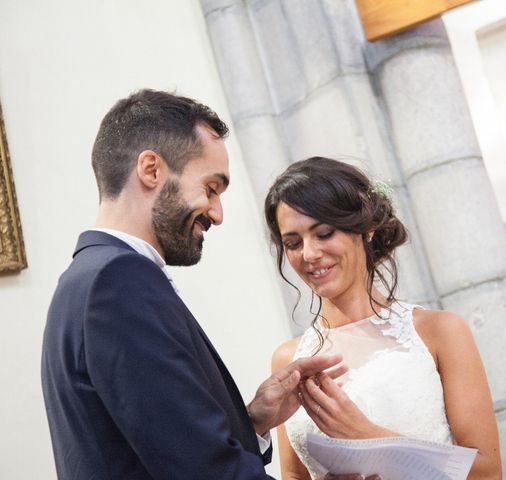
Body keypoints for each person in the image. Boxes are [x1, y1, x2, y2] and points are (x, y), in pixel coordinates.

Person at [41, 90, 362, 480]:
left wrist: (253, 421)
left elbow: (168, 442)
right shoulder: (117, 282)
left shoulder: (86, 277)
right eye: (211, 188)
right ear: (151, 169)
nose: (217, 213)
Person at [266, 157, 502, 480]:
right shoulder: (288, 359)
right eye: (293, 243)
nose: (308, 254)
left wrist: (368, 438)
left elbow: (488, 473)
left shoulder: (439, 332)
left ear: (366, 228)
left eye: (323, 233)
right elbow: (293, 476)